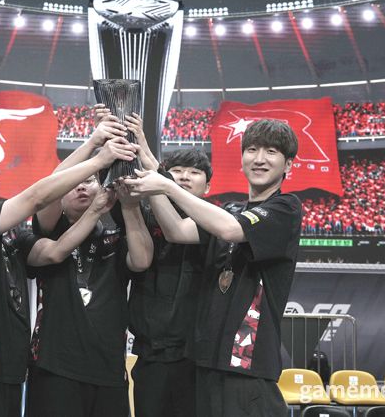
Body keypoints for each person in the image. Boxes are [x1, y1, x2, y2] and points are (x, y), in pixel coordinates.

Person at [0, 140, 137, 417]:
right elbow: (36, 198)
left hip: (8, 371)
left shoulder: (12, 235)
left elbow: (55, 251)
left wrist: (95, 211)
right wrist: (97, 154)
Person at [124, 119, 302, 417]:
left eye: (271, 152)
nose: (259, 158)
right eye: (252, 150)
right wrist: (147, 161)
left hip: (246, 365)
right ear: (242, 159)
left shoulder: (285, 208)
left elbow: (230, 230)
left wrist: (166, 184)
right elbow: (177, 230)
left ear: (288, 166)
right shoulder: (232, 209)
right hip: (207, 362)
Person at [24, 112, 153, 417]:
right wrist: (95, 145)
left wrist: (128, 204)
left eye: (89, 182)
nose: (81, 187)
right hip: (54, 366)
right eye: (74, 184)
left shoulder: (115, 234)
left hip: (108, 367)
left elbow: (142, 261)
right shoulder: (47, 232)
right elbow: (49, 187)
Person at [125, 114, 213, 417]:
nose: (185, 177)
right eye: (177, 171)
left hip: (196, 357)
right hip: (151, 354)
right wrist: (136, 144)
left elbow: (178, 229)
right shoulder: (142, 216)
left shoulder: (215, 222)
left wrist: (148, 154)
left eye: (195, 172)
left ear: (208, 186)